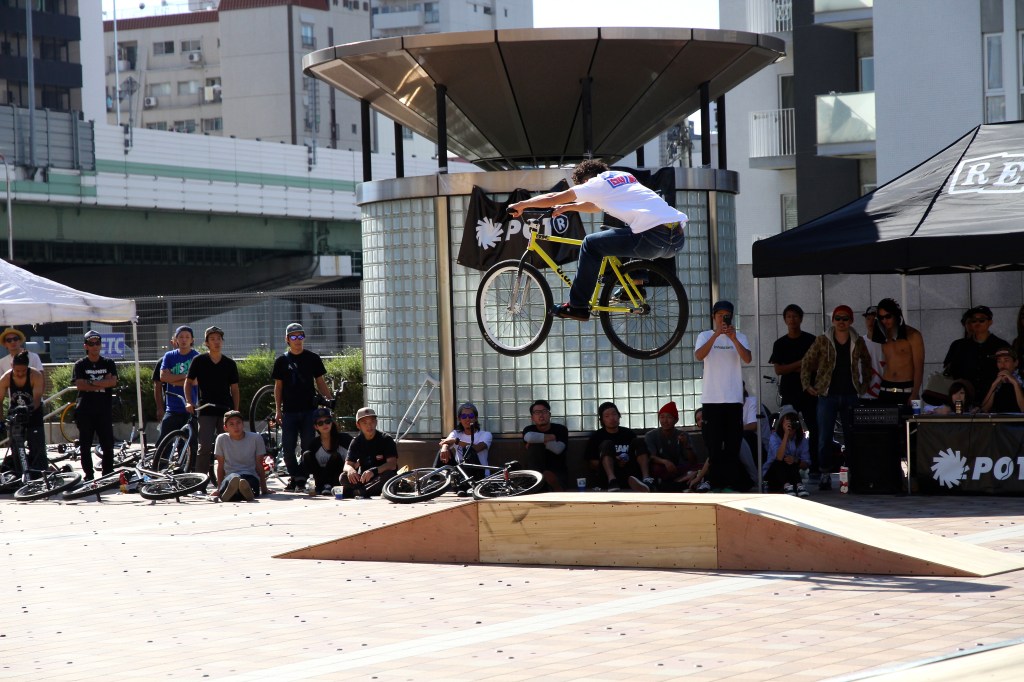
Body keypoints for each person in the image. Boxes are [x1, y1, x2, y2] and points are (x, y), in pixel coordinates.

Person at [506, 159, 688, 321]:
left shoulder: (595, 184)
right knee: (626, 230)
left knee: (590, 244)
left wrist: (521, 205)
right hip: (676, 240)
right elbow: (595, 206)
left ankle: (577, 306)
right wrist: (568, 207)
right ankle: (634, 287)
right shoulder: (622, 176)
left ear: (586, 182)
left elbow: (553, 197)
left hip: (652, 238)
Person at [800, 305, 871, 491]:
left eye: (845, 318)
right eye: (838, 318)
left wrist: (864, 385)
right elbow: (806, 361)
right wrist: (807, 385)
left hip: (850, 394)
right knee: (824, 437)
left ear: (851, 321)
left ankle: (853, 473)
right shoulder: (822, 340)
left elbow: (867, 362)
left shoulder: (858, 341)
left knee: (851, 437)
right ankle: (825, 473)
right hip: (827, 395)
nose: (841, 322)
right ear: (833, 321)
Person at [694, 300, 753, 492]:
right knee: (713, 444)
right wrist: (716, 335)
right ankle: (714, 482)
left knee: (732, 444)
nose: (723, 319)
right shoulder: (704, 335)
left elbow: (747, 358)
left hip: (733, 400)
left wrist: (733, 338)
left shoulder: (740, 336)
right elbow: (699, 355)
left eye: (726, 316)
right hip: (712, 400)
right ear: (713, 316)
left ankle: (730, 483)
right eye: (720, 315)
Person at [271, 322, 334, 492]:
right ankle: (296, 476)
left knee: (308, 447)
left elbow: (320, 382)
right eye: (293, 337)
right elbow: (278, 387)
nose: (297, 340)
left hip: (309, 411)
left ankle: (300, 479)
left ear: (304, 338)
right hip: (289, 412)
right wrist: (278, 410)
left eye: (300, 336)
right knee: (288, 449)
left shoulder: (313, 358)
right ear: (287, 339)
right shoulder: (281, 361)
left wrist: (330, 400)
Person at [183, 326, 240, 483]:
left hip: (225, 409)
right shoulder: (199, 361)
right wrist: (189, 401)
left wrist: (236, 411)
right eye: (212, 339)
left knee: (227, 446)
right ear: (206, 343)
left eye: (219, 339)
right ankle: (199, 482)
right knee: (205, 446)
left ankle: (229, 480)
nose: (216, 342)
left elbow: (235, 389)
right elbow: (188, 382)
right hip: (206, 409)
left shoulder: (229, 363)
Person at [769, 305, 817, 468]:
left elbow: (816, 365)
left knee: (814, 428)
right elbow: (779, 370)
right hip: (789, 392)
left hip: (809, 391)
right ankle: (785, 464)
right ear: (784, 320)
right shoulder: (780, 343)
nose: (792, 320)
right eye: (789, 316)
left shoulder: (811, 340)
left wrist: (791, 367)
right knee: (787, 428)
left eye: (795, 316)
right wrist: (801, 363)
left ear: (801, 318)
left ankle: (814, 466)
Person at [71, 332, 119, 480]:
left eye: (97, 343)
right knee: (85, 445)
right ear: (86, 346)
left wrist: (90, 383)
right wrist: (102, 382)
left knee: (107, 444)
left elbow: (113, 382)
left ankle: (107, 473)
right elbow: (80, 385)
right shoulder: (80, 364)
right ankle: (89, 475)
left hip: (103, 409)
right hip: (85, 410)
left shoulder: (108, 363)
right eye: (91, 344)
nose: (95, 346)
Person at [943, 305, 1009, 396]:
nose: (977, 323)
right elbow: (949, 371)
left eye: (982, 320)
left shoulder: (1001, 345)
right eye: (974, 321)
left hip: (994, 396)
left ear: (990, 322)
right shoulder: (958, 345)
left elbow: (1009, 371)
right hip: (964, 397)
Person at [0, 351, 47, 477]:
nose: (20, 374)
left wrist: (28, 409)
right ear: (12, 366)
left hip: (34, 413)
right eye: (17, 371)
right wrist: (1, 420)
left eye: (23, 371)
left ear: (28, 367)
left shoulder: (35, 375)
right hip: (15, 414)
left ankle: (39, 475)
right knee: (16, 448)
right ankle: (20, 474)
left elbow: (37, 399)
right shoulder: (6, 378)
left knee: (37, 446)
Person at [584, 402, 650, 491]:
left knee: (638, 441)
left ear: (619, 416)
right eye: (607, 416)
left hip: (629, 472)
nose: (612, 418)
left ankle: (646, 480)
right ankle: (612, 481)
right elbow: (592, 463)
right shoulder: (597, 436)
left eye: (614, 414)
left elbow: (639, 453)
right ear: (602, 420)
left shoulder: (629, 433)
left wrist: (626, 460)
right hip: (608, 474)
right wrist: (614, 461)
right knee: (607, 443)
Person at [872, 298, 925, 405]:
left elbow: (919, 367)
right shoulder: (882, 336)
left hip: (907, 389)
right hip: (886, 388)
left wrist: (915, 393)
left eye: (888, 316)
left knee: (909, 417)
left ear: (896, 315)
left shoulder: (913, 335)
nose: (885, 320)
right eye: (881, 317)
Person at [156, 325, 199, 448]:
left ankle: (186, 461)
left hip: (190, 408)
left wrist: (174, 380)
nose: (184, 340)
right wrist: (187, 377)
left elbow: (196, 381)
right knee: (164, 443)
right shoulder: (169, 356)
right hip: (172, 408)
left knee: (189, 444)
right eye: (181, 337)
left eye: (187, 337)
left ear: (192, 340)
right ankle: (163, 460)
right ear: (176, 339)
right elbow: (163, 377)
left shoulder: (197, 357)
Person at [643, 401, 701, 492]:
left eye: (669, 417)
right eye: (662, 417)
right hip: (662, 469)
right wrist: (665, 462)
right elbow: (651, 456)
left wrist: (686, 445)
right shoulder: (651, 435)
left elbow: (693, 461)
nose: (665, 421)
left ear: (676, 420)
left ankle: (677, 483)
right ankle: (679, 483)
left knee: (700, 467)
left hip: (678, 469)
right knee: (655, 468)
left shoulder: (683, 435)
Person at [342, 407, 398, 498]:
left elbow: (392, 464)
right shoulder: (356, 442)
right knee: (344, 476)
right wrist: (350, 470)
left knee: (389, 475)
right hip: (364, 479)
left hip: (381, 476)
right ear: (358, 425)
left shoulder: (386, 439)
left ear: (376, 422)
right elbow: (347, 465)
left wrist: (373, 471)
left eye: (372, 421)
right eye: (365, 423)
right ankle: (361, 491)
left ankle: (357, 492)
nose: (369, 425)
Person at [213, 410, 268, 502]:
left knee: (247, 482)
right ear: (225, 427)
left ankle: (236, 493)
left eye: (238, 423)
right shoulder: (221, 439)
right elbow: (220, 465)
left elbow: (259, 465)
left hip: (250, 475)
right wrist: (219, 489)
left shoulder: (256, 438)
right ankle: (238, 493)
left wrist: (264, 488)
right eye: (231, 424)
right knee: (233, 479)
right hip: (231, 476)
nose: (236, 426)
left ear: (243, 424)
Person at [438, 402, 493, 484]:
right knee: (442, 451)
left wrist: (456, 441)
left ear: (476, 418)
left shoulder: (486, 434)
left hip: (479, 474)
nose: (467, 419)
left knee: (468, 449)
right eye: (464, 416)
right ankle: (432, 481)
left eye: (471, 416)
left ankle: (465, 483)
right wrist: (444, 447)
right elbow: (445, 442)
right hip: (460, 474)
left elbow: (477, 448)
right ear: (459, 419)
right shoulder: (456, 433)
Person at [521, 399, 569, 492]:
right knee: (534, 448)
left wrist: (537, 440)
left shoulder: (560, 429)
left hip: (557, 469)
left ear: (549, 414)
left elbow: (558, 449)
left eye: (544, 411)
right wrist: (551, 437)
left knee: (557, 480)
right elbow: (529, 437)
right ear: (532, 417)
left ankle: (555, 486)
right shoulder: (529, 429)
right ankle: (536, 479)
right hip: (535, 468)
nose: (541, 415)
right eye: (537, 412)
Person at [302, 407, 352, 495]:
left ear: (332, 422)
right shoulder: (314, 444)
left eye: (327, 421)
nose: (325, 425)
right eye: (320, 423)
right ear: (316, 426)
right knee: (306, 454)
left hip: (338, 476)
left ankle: (329, 486)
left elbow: (356, 453)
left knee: (336, 456)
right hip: (320, 478)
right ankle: (318, 486)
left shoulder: (345, 439)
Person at [763, 406, 810, 497]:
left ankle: (798, 485)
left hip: (790, 474)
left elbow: (806, 464)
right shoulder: (774, 437)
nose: (791, 425)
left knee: (791, 461)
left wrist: (796, 460)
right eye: (788, 422)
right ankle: (788, 485)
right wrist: (786, 435)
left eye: (794, 421)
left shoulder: (802, 439)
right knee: (781, 460)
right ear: (782, 423)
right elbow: (779, 457)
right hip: (773, 474)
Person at [981, 347, 1024, 413]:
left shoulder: (1022, 379)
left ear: (1016, 363)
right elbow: (984, 409)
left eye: (1006, 360)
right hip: (999, 419)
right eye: (999, 361)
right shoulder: (993, 380)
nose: (1002, 365)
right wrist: (994, 385)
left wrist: (1015, 383)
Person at [860, 306, 885, 400]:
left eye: (874, 319)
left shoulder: (889, 344)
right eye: (868, 319)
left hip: (885, 394)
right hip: (864, 395)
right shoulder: (859, 342)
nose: (871, 323)